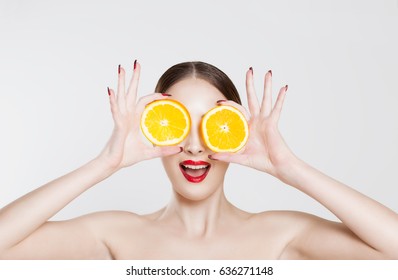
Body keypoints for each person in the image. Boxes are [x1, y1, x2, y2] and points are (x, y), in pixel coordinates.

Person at [0, 61, 397, 260]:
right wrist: (104, 164)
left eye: (211, 125)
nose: (193, 146)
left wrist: (290, 168)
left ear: (237, 130)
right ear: (153, 131)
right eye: (177, 125)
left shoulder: (281, 234)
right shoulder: (114, 234)